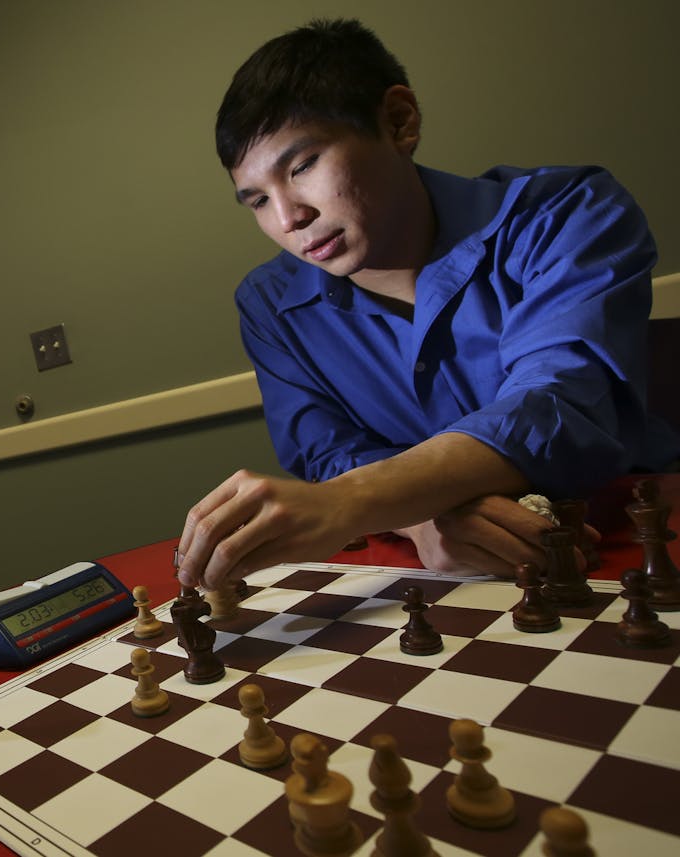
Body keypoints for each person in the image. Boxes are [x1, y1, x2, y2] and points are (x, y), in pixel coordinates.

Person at [176, 19, 679, 591]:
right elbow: (328, 449)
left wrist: (353, 502)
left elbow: (560, 401)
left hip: (631, 529)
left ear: (398, 121)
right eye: (259, 200)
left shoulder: (568, 215)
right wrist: (419, 518)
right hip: (445, 568)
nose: (289, 219)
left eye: (303, 167)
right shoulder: (268, 305)